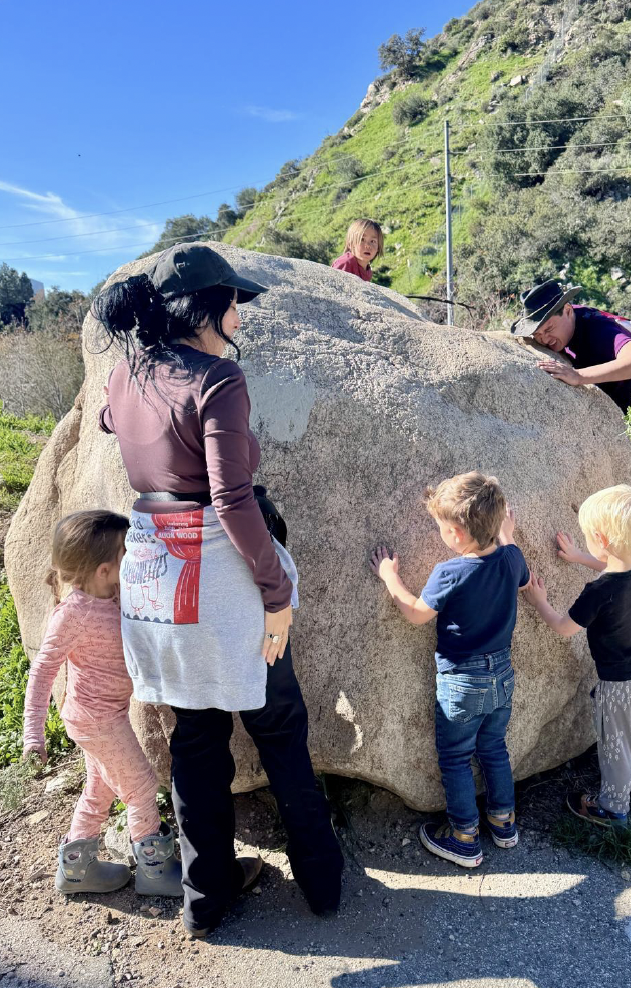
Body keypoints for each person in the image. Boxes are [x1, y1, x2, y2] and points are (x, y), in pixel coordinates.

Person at [92, 243, 343, 937]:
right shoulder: (219, 379)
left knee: (194, 738)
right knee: (279, 726)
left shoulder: (125, 375)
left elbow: (113, 424)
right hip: (220, 571)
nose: (240, 312)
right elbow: (233, 501)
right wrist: (274, 591)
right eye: (234, 300)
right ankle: (322, 883)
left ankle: (206, 899)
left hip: (154, 571)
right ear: (205, 307)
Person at [511, 279, 631, 622]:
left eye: (549, 327)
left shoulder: (596, 329)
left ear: (568, 310)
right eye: (537, 333)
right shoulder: (569, 329)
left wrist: (580, 376)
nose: (544, 338)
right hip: (622, 419)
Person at [370, 471, 529, 868]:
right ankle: (504, 823)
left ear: (456, 533)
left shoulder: (451, 572)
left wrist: (390, 576)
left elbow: (416, 614)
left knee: (456, 757)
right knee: (494, 748)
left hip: (463, 681)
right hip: (502, 675)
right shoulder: (512, 558)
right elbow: (520, 574)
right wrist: (506, 533)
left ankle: (464, 837)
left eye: (441, 527)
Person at [23, 510, 183, 897]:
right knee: (141, 785)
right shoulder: (72, 615)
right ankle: (155, 871)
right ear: (104, 569)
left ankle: (77, 872)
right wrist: (33, 733)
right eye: (127, 553)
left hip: (104, 715)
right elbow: (42, 672)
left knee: (100, 787)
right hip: (95, 719)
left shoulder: (114, 593)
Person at [524, 485, 631, 828]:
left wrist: (538, 599)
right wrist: (579, 558)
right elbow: (613, 562)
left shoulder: (599, 591)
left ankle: (613, 807)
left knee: (616, 746)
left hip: (619, 686)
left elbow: (563, 626)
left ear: (600, 537)